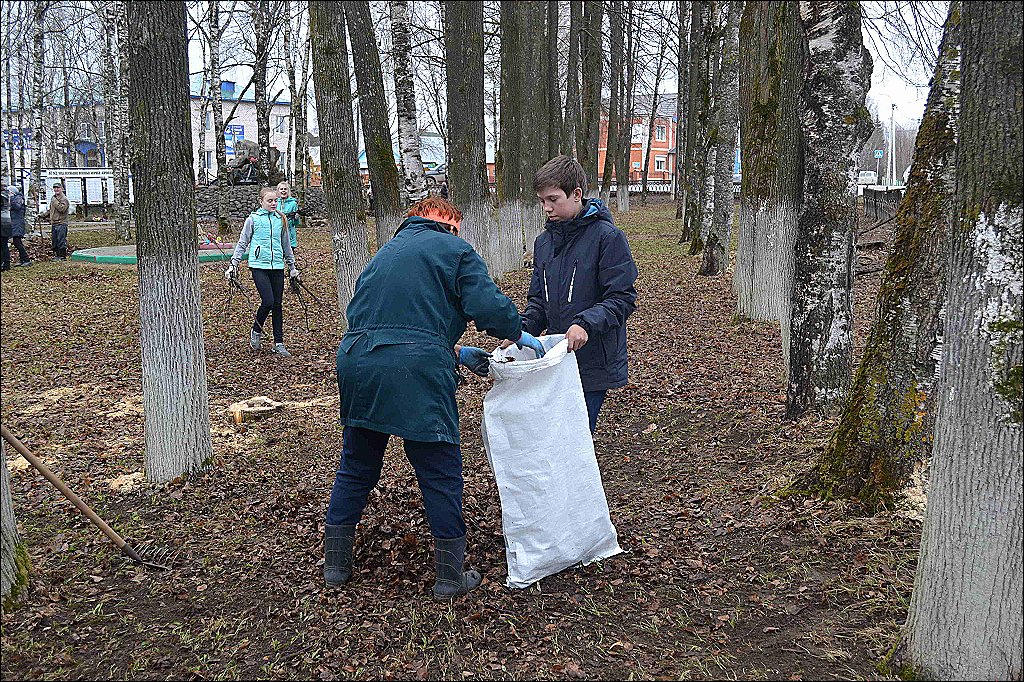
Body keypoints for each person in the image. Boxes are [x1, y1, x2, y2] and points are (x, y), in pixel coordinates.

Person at [324, 196, 546, 599]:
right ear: (449, 223)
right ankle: (449, 576)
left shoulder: (384, 254)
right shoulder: (455, 249)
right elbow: (486, 306)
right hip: (417, 373)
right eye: (455, 225)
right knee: (439, 471)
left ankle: (336, 566)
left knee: (357, 466)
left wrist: (455, 352)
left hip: (358, 363)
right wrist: (518, 333)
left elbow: (390, 323)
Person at [510, 155, 639, 434]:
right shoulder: (543, 243)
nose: (546, 208)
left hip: (593, 361)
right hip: (556, 359)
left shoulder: (608, 238)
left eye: (553, 199)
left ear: (577, 194)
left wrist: (585, 323)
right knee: (553, 436)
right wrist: (519, 331)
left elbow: (622, 298)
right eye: (542, 201)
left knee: (575, 437)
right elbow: (538, 301)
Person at [225, 187, 300, 357]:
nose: (273, 203)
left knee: (278, 304)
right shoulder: (253, 219)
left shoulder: (280, 220)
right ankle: (256, 330)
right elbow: (242, 242)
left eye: (275, 201)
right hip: (259, 265)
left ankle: (279, 343)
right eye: (270, 201)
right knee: (268, 301)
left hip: (277, 267)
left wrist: (292, 267)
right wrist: (233, 264)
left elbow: (286, 245)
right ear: (261, 202)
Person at [39, 181, 70, 260]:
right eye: (55, 188)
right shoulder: (54, 198)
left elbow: (62, 209)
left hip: (61, 223)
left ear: (61, 189)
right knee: (55, 241)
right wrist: (43, 215)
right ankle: (57, 255)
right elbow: (51, 210)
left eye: (58, 188)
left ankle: (62, 256)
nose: (56, 189)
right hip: (54, 223)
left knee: (61, 240)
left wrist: (55, 201)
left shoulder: (64, 199)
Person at [8, 184, 31, 267]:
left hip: (18, 223)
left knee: (17, 242)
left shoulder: (18, 198)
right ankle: (23, 259)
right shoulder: (16, 198)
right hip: (15, 223)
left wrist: (11, 200)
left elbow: (17, 207)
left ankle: (26, 259)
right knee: (17, 242)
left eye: (9, 192)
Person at [276, 181, 301, 250]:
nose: (283, 191)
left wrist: (296, 218)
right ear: (278, 191)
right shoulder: (274, 203)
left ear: (288, 191)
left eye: (285, 189)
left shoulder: (293, 203)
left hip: (289, 234)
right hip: (277, 235)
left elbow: (296, 223)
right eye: (281, 189)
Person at [1, 180, 11, 272]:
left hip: (2, 221)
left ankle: (3, 263)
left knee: (2, 244)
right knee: (4, 244)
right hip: (7, 221)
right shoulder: (8, 195)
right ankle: (6, 263)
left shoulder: (2, 196)